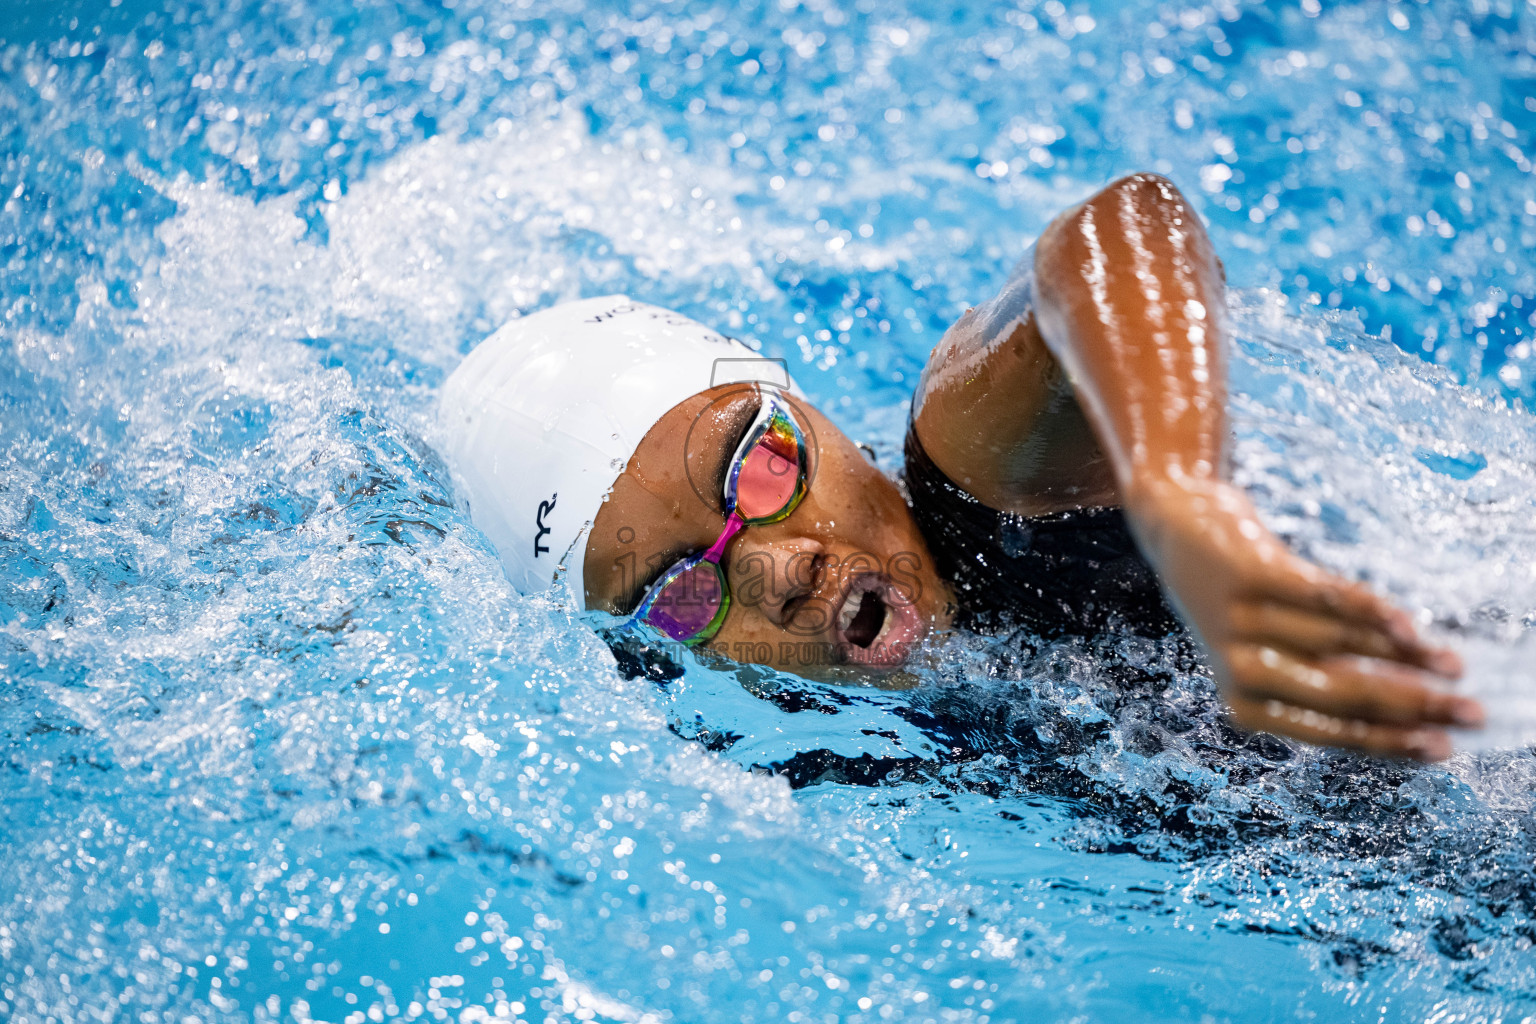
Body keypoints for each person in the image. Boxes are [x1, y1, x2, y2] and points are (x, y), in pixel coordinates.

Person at [437, 172, 1484, 762]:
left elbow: (1120, 234)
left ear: (811, 409)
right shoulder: (808, 766)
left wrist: (1179, 495)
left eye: (758, 464)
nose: (777, 571)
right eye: (676, 589)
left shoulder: (985, 484)